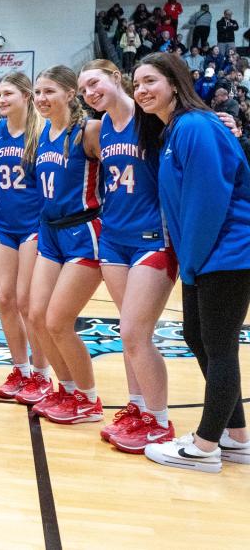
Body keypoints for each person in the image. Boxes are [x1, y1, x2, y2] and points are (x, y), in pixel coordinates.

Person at [132, 52, 250, 472]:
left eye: (150, 81)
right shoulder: (174, 131)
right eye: (137, 85)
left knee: (219, 348)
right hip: (207, 256)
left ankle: (203, 448)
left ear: (174, 81)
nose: (142, 90)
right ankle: (236, 437)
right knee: (199, 337)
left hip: (226, 254)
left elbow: (207, 201)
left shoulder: (196, 127)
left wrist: (193, 261)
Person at [76, 59, 178, 452]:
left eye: (95, 83)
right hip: (114, 237)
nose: (90, 93)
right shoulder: (100, 131)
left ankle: (160, 420)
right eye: (84, 89)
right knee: (128, 330)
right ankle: (137, 408)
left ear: (115, 78)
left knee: (136, 333)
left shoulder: (149, 118)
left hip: (152, 235)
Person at [27, 65, 104, 424]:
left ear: (71, 94)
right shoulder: (42, 134)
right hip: (50, 232)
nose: (41, 99)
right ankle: (68, 391)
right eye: (38, 92)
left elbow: (129, 155)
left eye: (49, 92)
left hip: (83, 232)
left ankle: (89, 399)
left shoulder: (88, 130)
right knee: (37, 318)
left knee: (58, 321)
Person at [0, 72, 48, 402]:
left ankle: (41, 374)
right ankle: (20, 369)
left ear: (26, 96)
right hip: (3, 224)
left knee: (26, 303)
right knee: (5, 300)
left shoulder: (40, 131)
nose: (1, 100)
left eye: (8, 94)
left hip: (33, 226)